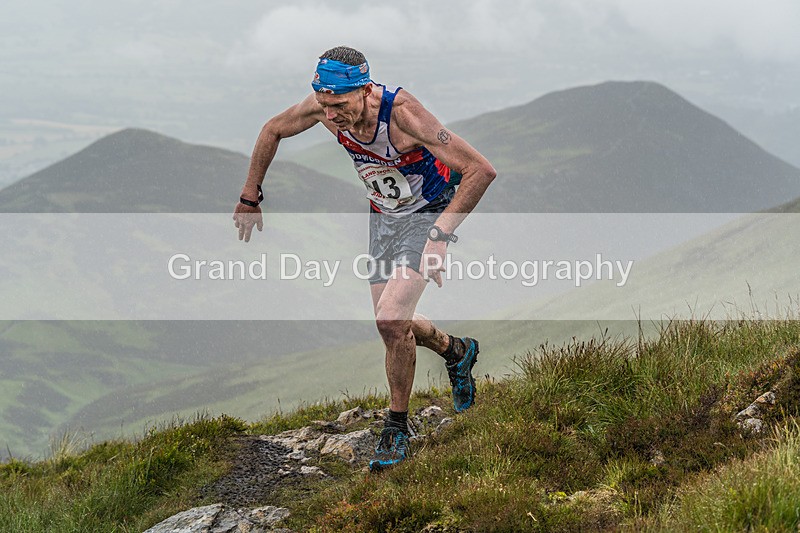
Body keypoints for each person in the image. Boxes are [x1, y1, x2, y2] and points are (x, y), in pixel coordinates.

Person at [233, 46, 496, 471]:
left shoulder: (405, 116)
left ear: (365, 90)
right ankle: (456, 351)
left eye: (339, 106)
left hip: (427, 214)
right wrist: (250, 196)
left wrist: (439, 237)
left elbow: (481, 170)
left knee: (390, 320)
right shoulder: (322, 105)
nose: (330, 116)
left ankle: (396, 428)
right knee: (395, 325)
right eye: (324, 105)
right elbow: (271, 130)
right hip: (384, 216)